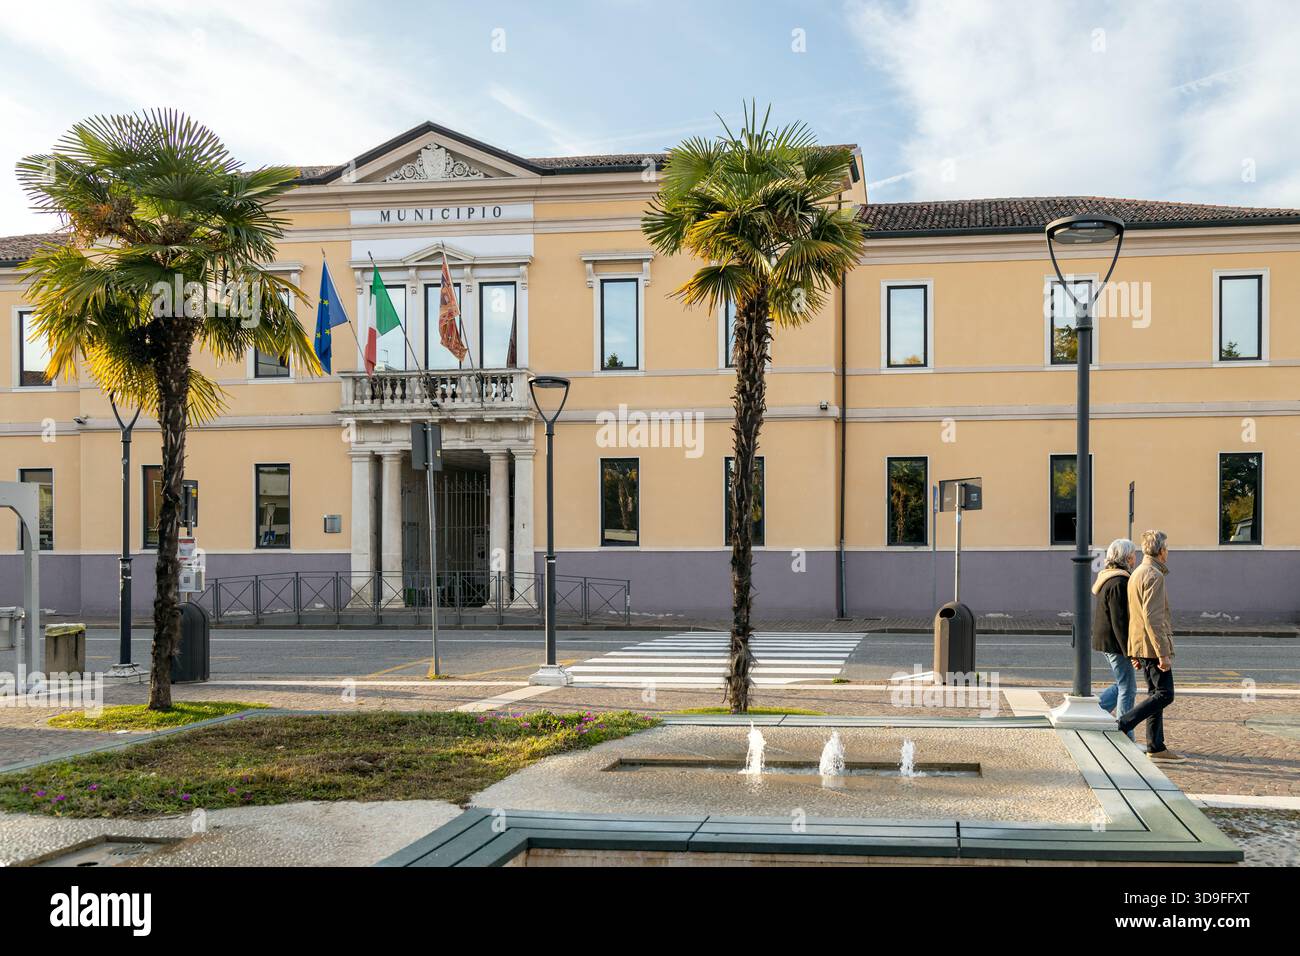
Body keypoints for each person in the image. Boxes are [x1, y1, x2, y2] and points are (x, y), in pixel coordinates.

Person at [1118, 530, 1183, 760]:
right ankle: (1124, 723)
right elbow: (1152, 618)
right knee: (1165, 694)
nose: (1168, 553)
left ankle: (1156, 746)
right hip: (1153, 646)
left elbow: (1133, 616)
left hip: (1142, 645)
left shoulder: (1137, 573)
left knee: (1156, 693)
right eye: (1167, 549)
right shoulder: (1154, 575)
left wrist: (1133, 650)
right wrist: (1163, 653)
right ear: (1161, 551)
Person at [1092, 538, 1137, 739]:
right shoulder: (1120, 581)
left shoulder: (1108, 578)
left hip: (1107, 642)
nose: (1136, 558)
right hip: (1116, 644)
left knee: (1121, 684)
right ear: (1127, 557)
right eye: (1134, 554)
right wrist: (1131, 651)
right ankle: (1124, 734)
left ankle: (1094, 714)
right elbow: (1120, 622)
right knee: (1128, 688)